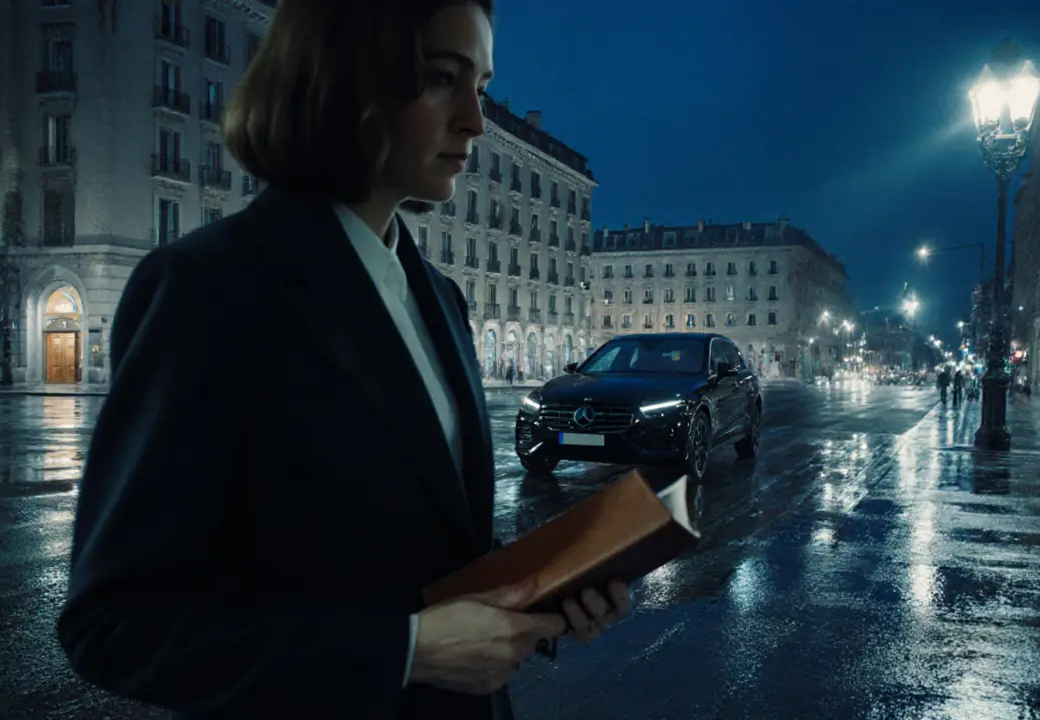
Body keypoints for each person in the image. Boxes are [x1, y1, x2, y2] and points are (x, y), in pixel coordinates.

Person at [55, 2, 630, 718]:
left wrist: (545, 587)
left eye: (478, 88)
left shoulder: (440, 298)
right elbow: (115, 624)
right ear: (345, 80)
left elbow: (424, 540)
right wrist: (404, 651)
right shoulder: (207, 289)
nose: (474, 123)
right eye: (440, 79)